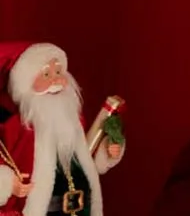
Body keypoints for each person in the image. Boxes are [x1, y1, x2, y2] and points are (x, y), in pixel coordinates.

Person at [0, 42, 124, 216]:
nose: (56, 80)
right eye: (46, 74)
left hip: (83, 208)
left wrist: (107, 152)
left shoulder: (73, 120)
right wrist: (7, 183)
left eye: (59, 72)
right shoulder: (16, 126)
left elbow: (86, 158)